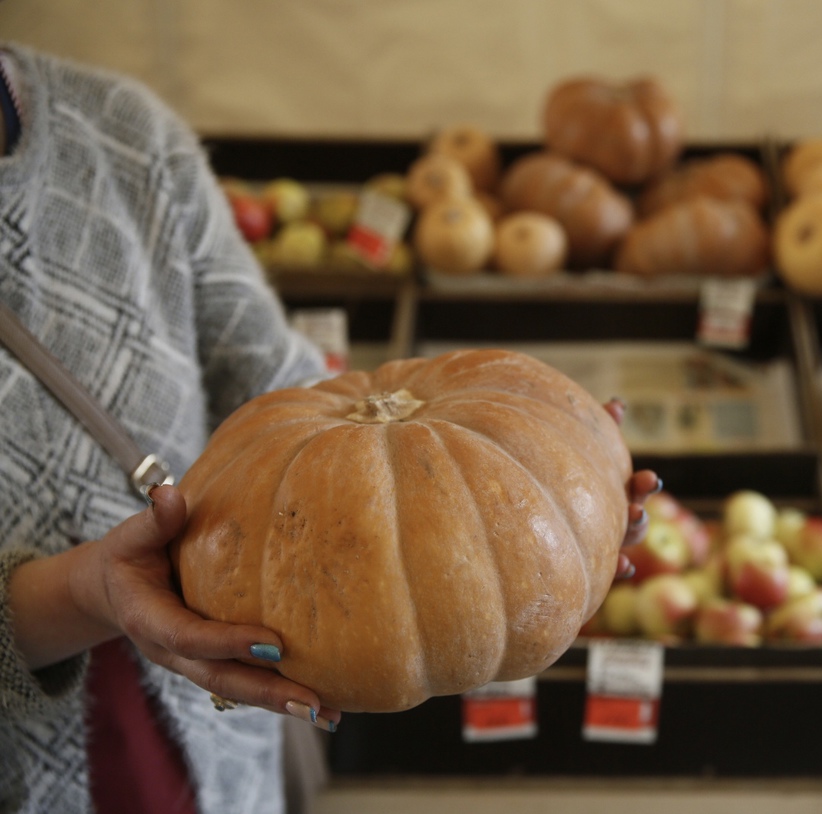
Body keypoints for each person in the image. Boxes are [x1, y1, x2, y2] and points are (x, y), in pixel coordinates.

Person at [0, 41, 659, 814]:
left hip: (219, 721)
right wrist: (81, 595)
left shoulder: (120, 129)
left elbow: (287, 388)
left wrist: (546, 449)